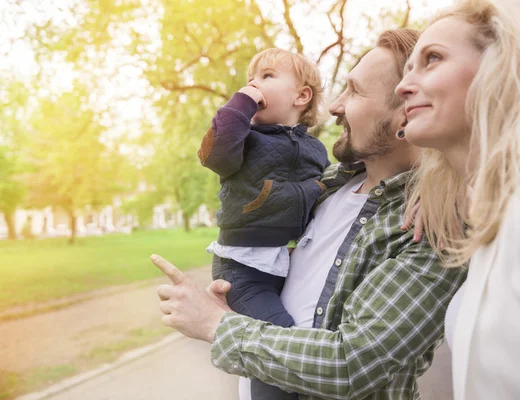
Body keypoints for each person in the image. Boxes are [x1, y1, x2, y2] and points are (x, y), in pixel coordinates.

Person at [152, 29, 467, 400]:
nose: (333, 106)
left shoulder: (430, 225)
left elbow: (350, 365)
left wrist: (215, 325)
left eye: (354, 92)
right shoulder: (327, 186)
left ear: (406, 111)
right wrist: (240, 301)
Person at [395, 1, 520, 399]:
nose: (403, 86)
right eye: (407, 70)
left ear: (498, 69)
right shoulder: (489, 230)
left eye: (432, 58)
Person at [198, 48, 330, 399]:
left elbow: (336, 186)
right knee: (277, 338)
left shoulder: (316, 150)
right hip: (241, 268)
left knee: (292, 334)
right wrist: (240, 104)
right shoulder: (243, 139)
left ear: (302, 96)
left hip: (282, 264)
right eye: (250, 79)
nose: (254, 83)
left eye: (268, 75)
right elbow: (214, 155)